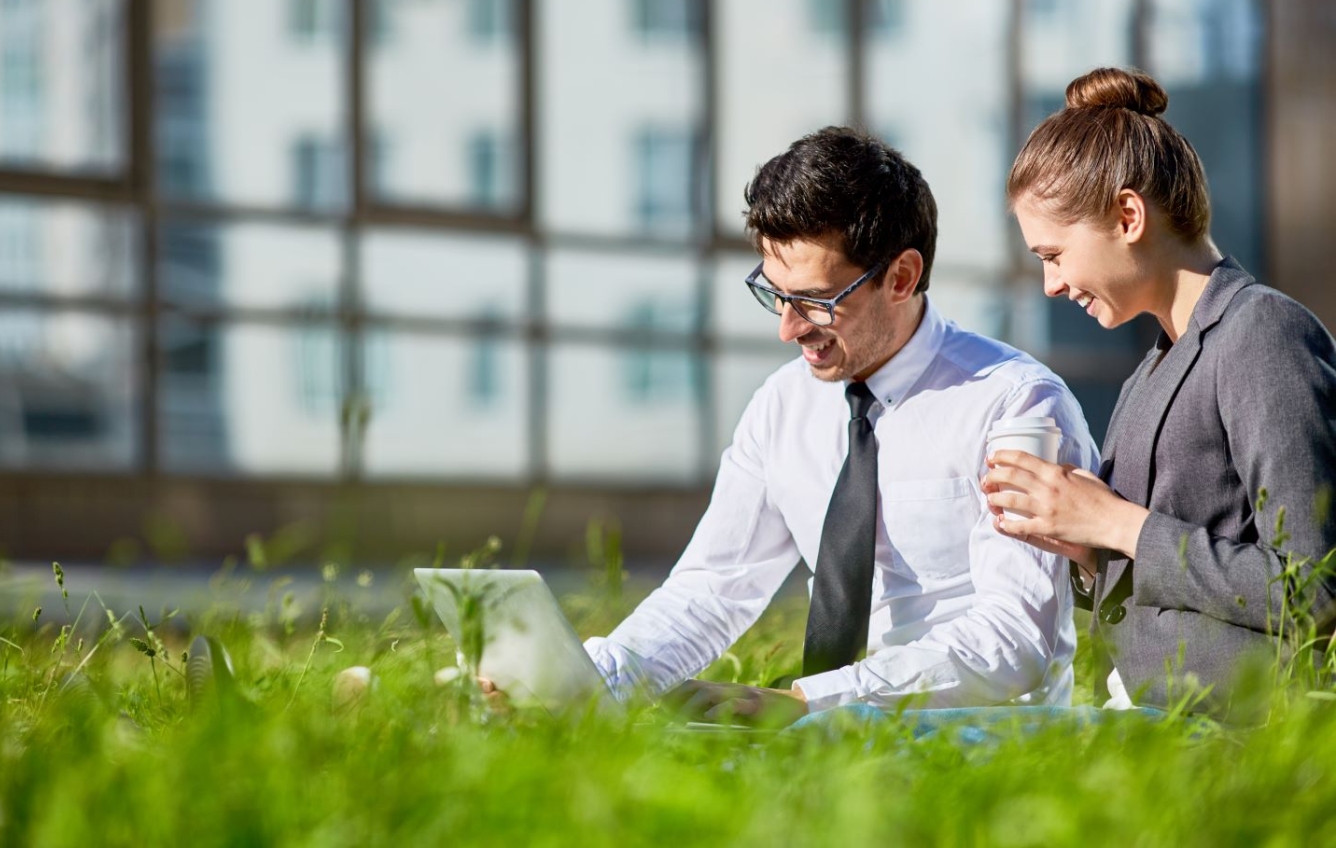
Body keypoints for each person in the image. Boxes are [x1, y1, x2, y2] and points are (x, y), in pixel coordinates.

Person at [566, 127, 1097, 727]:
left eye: (816, 301)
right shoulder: (782, 404)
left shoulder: (1015, 404)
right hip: (815, 728)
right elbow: (712, 588)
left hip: (980, 739)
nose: (788, 330)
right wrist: (589, 682)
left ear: (900, 277)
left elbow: (1013, 640)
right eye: (776, 295)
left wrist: (806, 703)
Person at [983, 67, 1336, 722]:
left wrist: (1117, 523)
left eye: (1054, 254)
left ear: (1127, 214)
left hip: (1222, 735)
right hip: (1133, 722)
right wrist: (1086, 546)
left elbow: (1312, 589)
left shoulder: (1263, 332)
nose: (1049, 284)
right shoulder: (1147, 371)